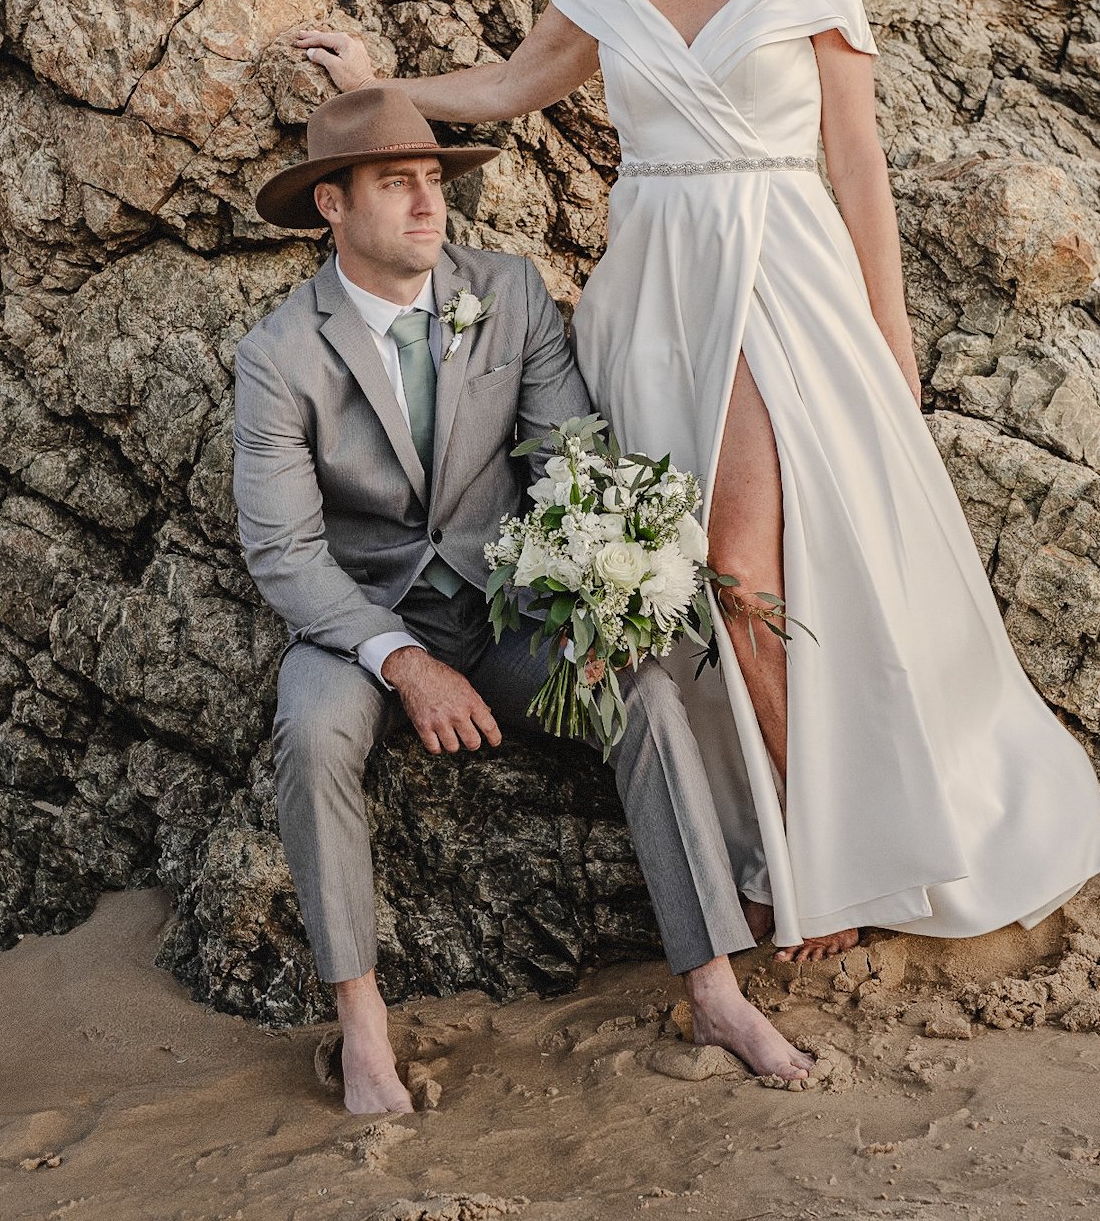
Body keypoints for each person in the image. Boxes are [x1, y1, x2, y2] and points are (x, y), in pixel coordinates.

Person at [296, 0, 1100, 967]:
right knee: (695, 588)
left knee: (749, 570)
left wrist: (890, 337)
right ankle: (786, 832)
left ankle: (820, 859)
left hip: (782, 278)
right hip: (654, 293)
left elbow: (858, 167)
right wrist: (380, 88)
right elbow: (517, 85)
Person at [234, 84, 816, 1114]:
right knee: (313, 728)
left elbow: (569, 458)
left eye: (433, 181)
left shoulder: (504, 290)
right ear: (331, 203)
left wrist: (599, 602)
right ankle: (363, 1026)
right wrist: (403, 661)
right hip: (361, 614)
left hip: (508, 611)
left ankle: (715, 988)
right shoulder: (280, 353)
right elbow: (283, 551)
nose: (428, 204)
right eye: (395, 184)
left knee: (641, 690)